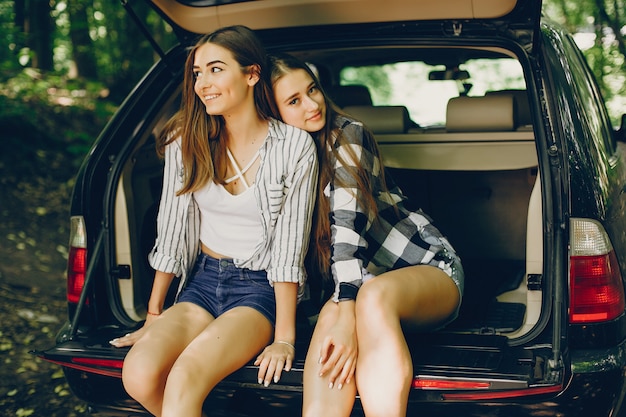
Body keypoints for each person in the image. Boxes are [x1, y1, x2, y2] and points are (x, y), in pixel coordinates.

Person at [109, 27, 318, 417]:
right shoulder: (184, 140)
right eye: (197, 73)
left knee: (186, 376)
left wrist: (285, 338)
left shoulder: (294, 146)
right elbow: (171, 231)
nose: (203, 83)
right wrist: (154, 314)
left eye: (216, 69)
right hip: (202, 281)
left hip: (259, 289)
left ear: (251, 74)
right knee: (137, 373)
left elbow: (290, 249)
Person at [269, 53, 464, 417]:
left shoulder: (347, 135)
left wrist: (346, 313)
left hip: (428, 270)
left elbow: (346, 233)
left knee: (367, 299)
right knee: (332, 320)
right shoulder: (277, 162)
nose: (312, 104)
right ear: (272, 114)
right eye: (294, 101)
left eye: (313, 90)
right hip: (356, 285)